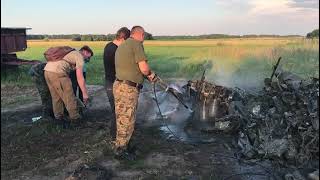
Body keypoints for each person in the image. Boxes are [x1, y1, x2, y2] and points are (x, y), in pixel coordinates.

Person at [112, 26, 158, 160]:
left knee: (121, 118)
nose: (144, 39)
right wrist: (151, 74)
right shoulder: (136, 44)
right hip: (128, 89)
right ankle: (121, 151)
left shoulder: (123, 45)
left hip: (119, 85)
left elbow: (131, 66)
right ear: (140, 34)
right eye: (143, 36)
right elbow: (144, 68)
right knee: (127, 119)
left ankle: (122, 145)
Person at [44, 45, 94, 127]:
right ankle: (76, 120)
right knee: (69, 97)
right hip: (58, 73)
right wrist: (85, 94)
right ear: (85, 52)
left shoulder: (70, 52)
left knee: (56, 97)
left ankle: (59, 119)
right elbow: (80, 77)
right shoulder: (79, 56)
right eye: (88, 57)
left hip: (47, 71)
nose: (88, 59)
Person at [103, 27, 130, 141]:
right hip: (113, 83)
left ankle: (116, 134)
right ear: (123, 39)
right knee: (117, 110)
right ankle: (115, 136)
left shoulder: (109, 45)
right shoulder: (115, 50)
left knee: (116, 109)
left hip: (109, 82)